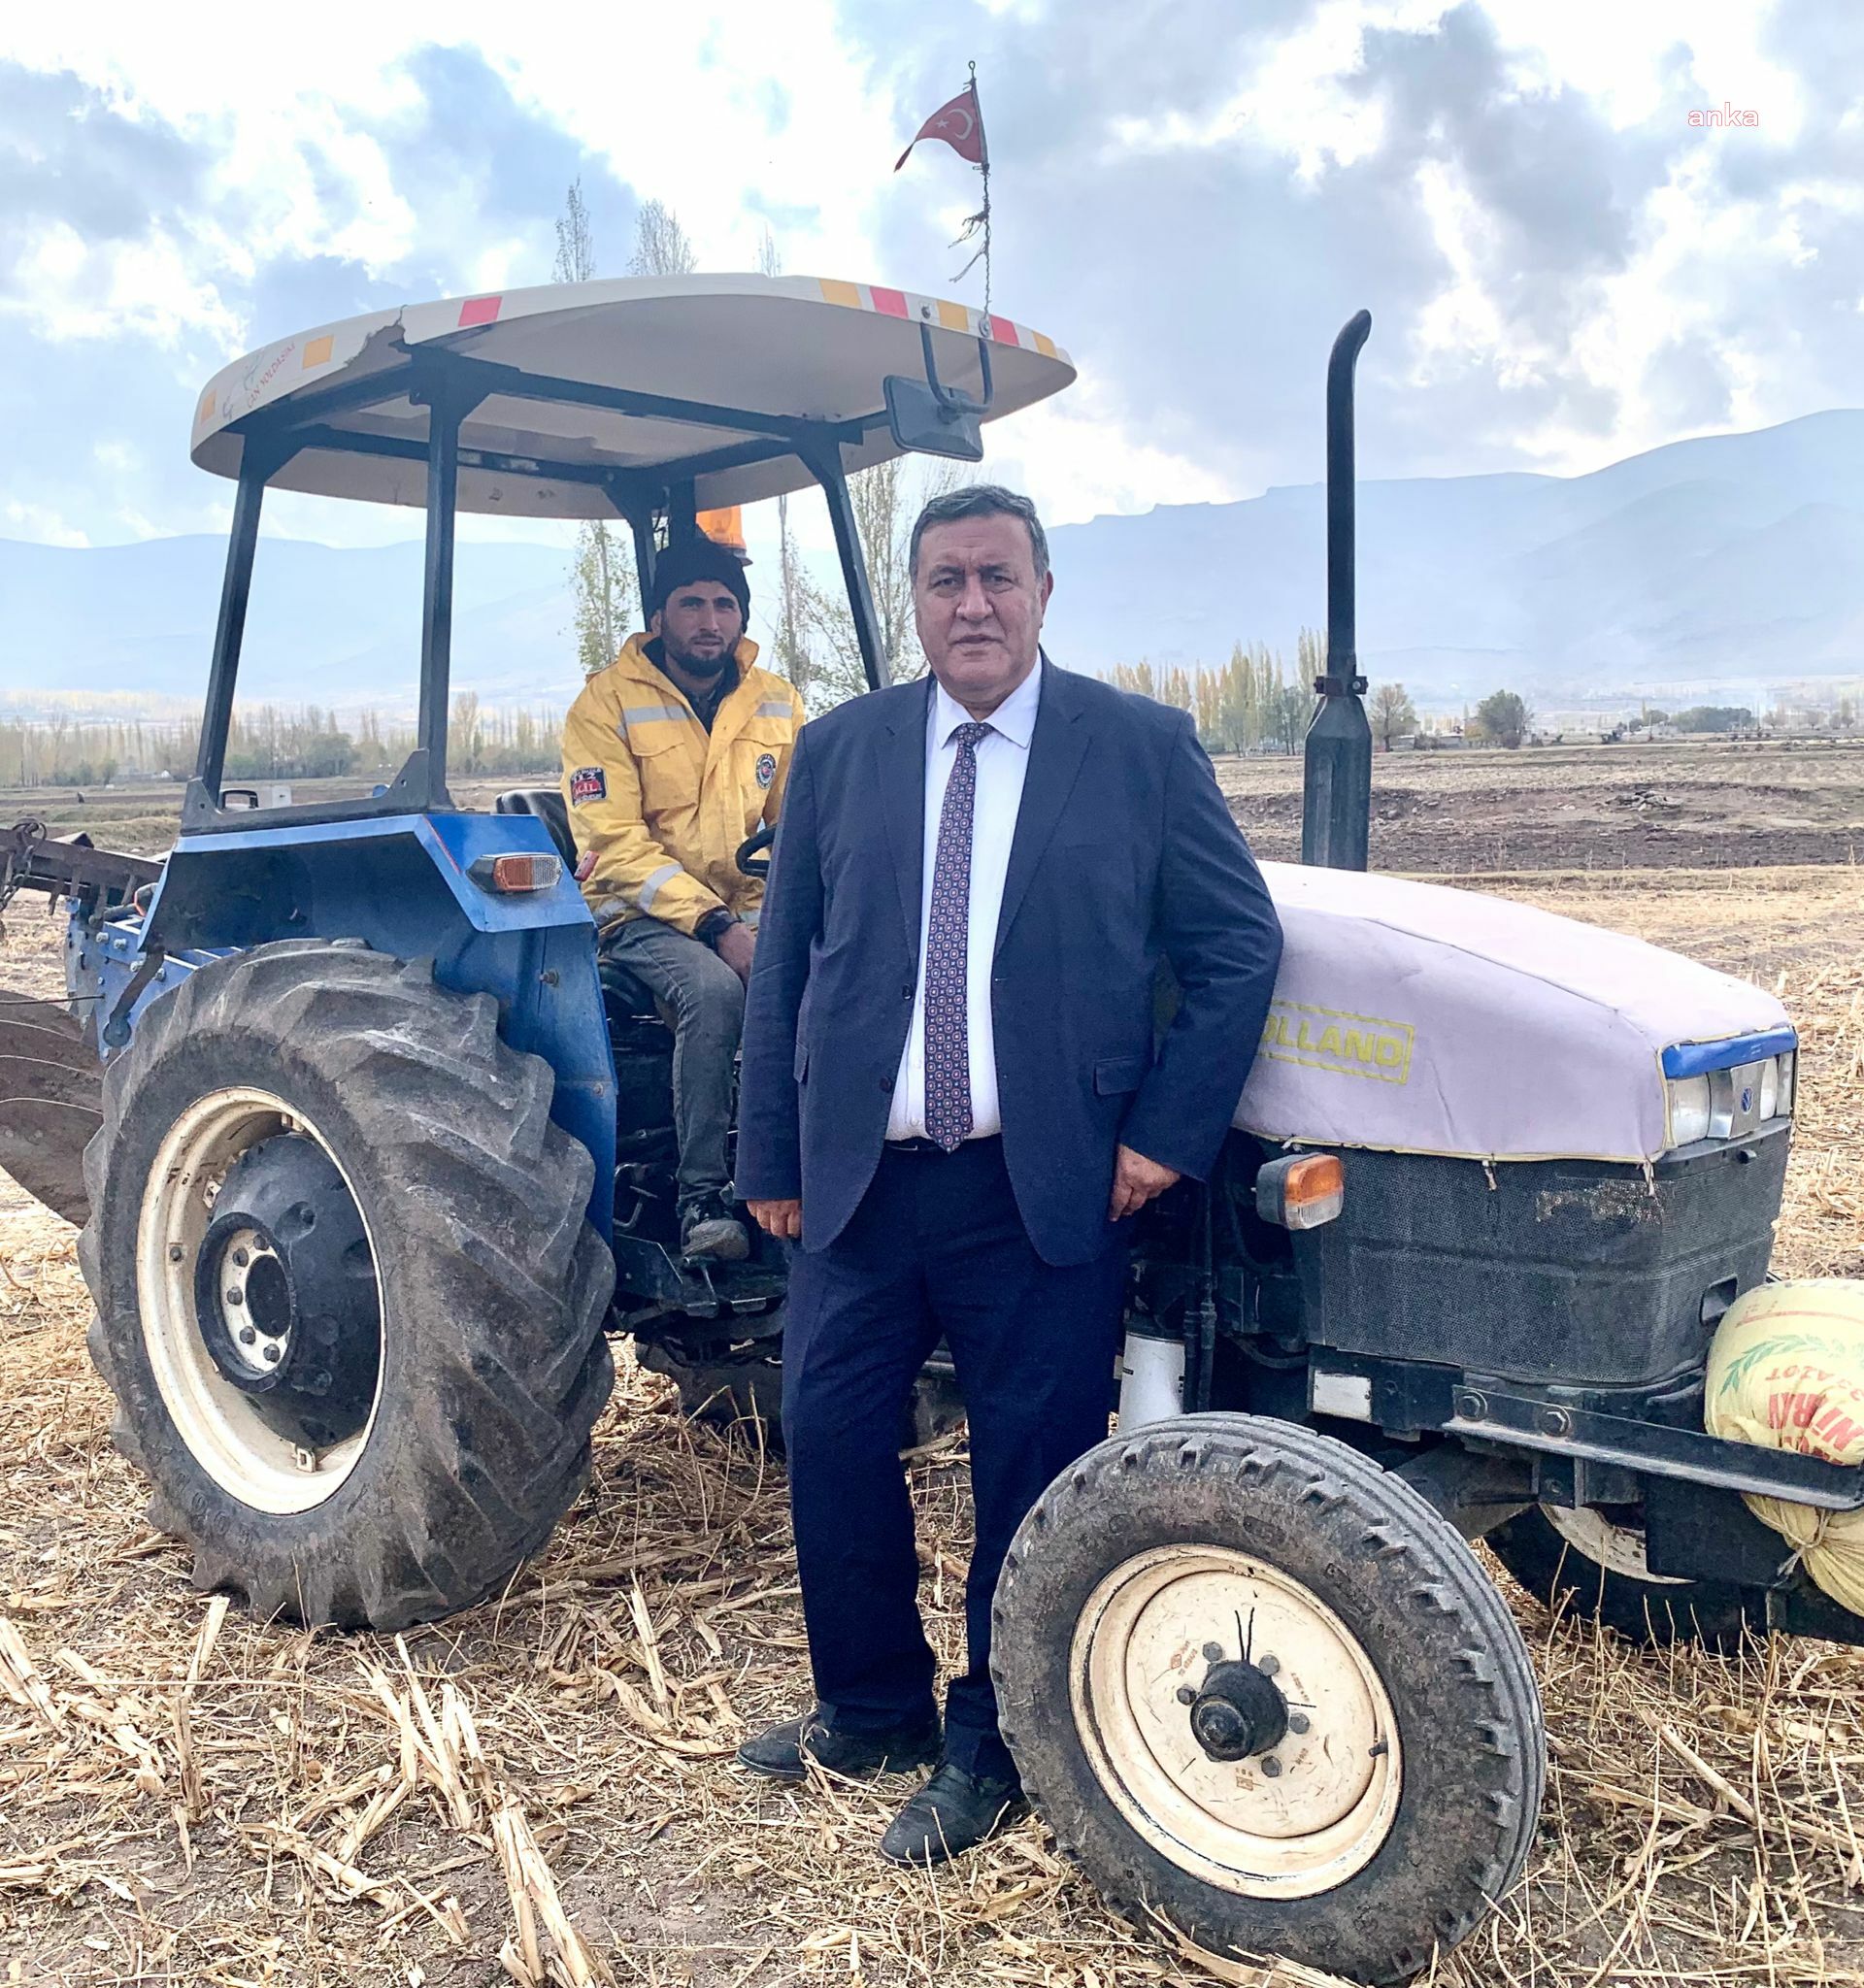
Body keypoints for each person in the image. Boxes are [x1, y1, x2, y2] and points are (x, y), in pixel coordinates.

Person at [732, 484, 1283, 1863]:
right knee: (830, 1439)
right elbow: (785, 964)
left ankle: (995, 1742)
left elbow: (1238, 947)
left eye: (996, 577)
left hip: (1041, 1186)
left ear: (1043, 591)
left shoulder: (1138, 748)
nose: (971, 604)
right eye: (945, 581)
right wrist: (770, 1154)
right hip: (862, 1185)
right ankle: (870, 1707)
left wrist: (1163, 1136)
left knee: (1029, 1473)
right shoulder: (843, 750)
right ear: (915, 600)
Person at [562, 536, 805, 1261]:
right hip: (638, 911)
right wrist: (718, 927)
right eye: (691, 603)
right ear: (659, 617)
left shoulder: (777, 702)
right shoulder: (605, 704)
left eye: (724, 604)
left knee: (840, 974)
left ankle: (818, 1170)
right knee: (714, 991)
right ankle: (703, 1196)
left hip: (746, 903)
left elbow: (798, 827)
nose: (710, 620)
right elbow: (612, 844)